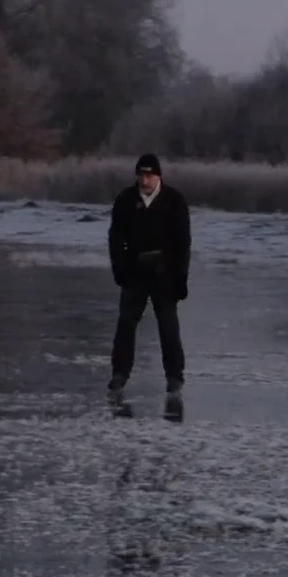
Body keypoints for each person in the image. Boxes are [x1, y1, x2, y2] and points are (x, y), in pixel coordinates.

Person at [107, 153, 190, 398]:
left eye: (149, 175)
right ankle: (119, 373)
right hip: (134, 272)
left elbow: (183, 242)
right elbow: (115, 238)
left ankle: (174, 376)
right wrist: (119, 269)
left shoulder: (173, 200)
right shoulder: (125, 200)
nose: (144, 180)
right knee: (126, 323)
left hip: (164, 273)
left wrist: (181, 277)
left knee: (168, 326)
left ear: (158, 176)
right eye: (141, 175)